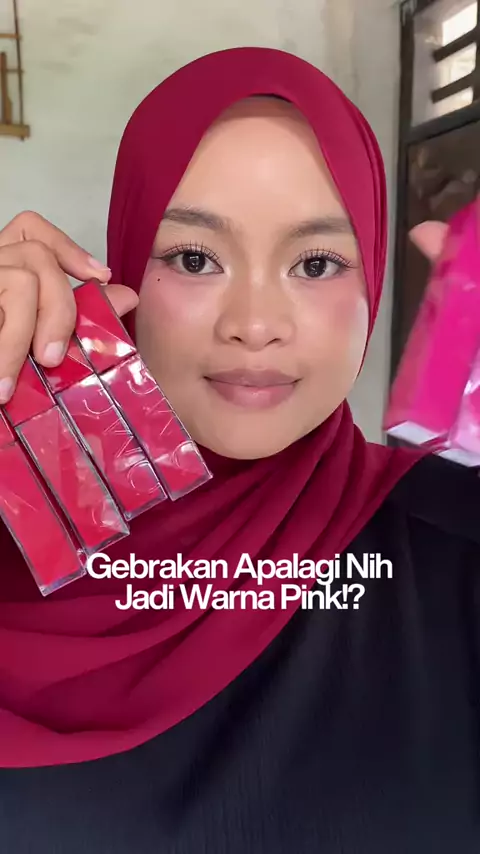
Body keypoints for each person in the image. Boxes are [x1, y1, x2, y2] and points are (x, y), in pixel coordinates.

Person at [0, 46, 478, 853]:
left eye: (316, 263)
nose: (255, 324)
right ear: (123, 263)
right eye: (195, 259)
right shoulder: (18, 527)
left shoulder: (452, 538)